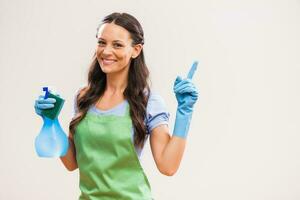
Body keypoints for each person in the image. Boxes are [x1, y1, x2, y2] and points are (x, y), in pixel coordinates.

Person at [34, 12, 199, 200]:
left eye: (117, 45)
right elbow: (72, 162)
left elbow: (168, 166)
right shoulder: (83, 97)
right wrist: (51, 121)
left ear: (136, 50)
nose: (106, 51)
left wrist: (184, 112)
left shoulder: (148, 102)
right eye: (101, 42)